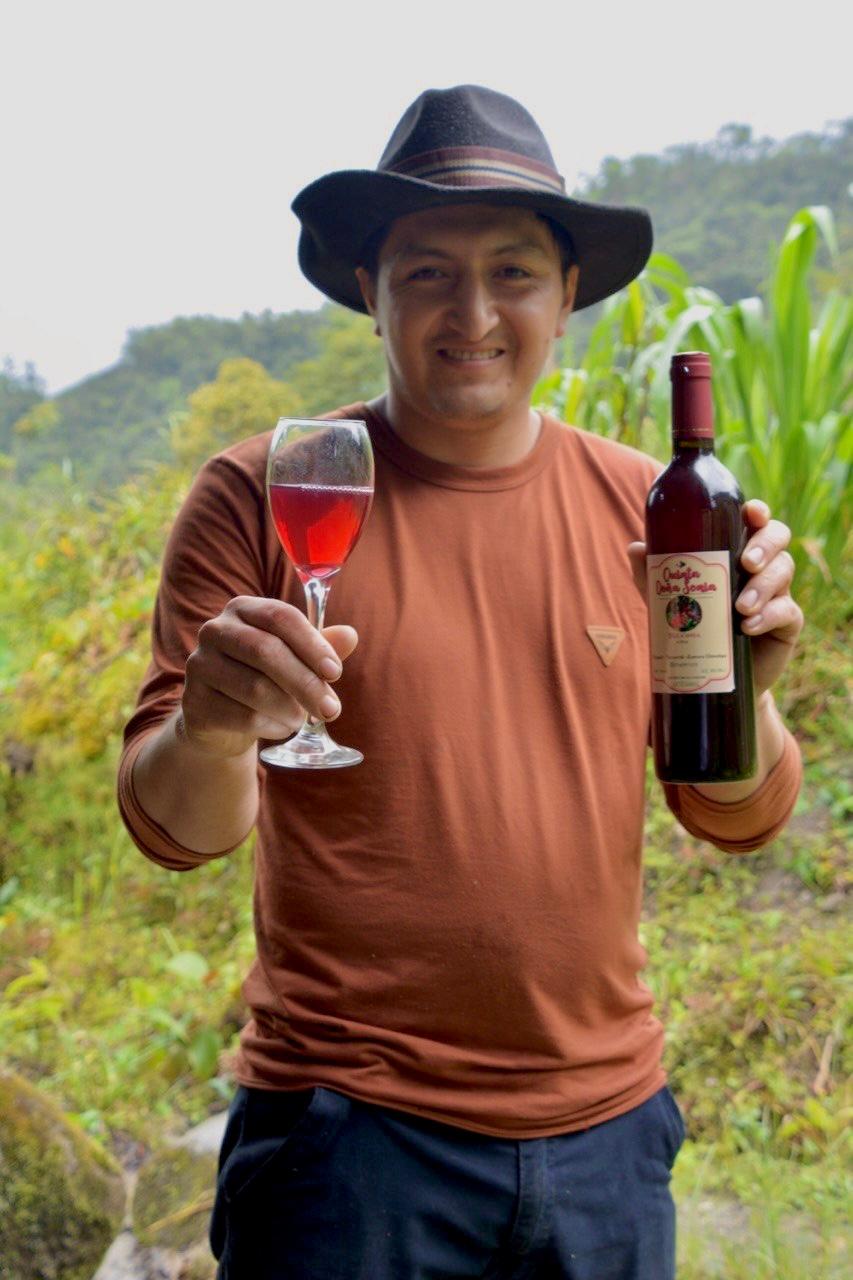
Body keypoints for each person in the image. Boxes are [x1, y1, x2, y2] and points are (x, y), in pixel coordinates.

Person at [118, 85, 803, 1279]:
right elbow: (175, 829)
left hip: (606, 1137)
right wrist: (216, 727)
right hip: (347, 1140)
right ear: (370, 291)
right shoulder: (264, 489)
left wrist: (748, 691)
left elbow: (732, 814)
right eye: (428, 272)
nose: (473, 312)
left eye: (512, 273)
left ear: (566, 295)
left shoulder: (649, 510)